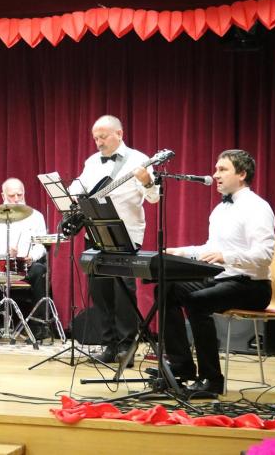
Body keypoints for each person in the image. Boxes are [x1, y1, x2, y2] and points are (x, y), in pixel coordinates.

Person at [163, 149, 275, 397]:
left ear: (242, 174)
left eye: (222, 170)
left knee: (197, 301)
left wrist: (228, 256)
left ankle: (212, 379)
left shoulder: (257, 207)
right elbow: (210, 248)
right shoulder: (219, 210)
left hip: (252, 286)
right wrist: (180, 252)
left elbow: (265, 255)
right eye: (216, 170)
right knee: (168, 288)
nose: (215, 175)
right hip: (222, 279)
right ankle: (182, 366)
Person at [70, 115, 159, 367]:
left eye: (103, 137)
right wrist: (73, 195)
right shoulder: (92, 161)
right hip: (95, 232)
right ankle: (109, 345)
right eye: (95, 138)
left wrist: (147, 181)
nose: (98, 142)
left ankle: (126, 347)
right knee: (100, 291)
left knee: (123, 292)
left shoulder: (139, 160)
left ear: (119, 134)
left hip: (125, 234)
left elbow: (153, 197)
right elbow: (79, 186)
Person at [0, 177, 50, 339]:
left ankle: (38, 325)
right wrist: (5, 252)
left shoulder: (36, 216)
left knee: (40, 270)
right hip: (2, 266)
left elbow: (41, 245)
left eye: (20, 194)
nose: (17, 199)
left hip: (26, 266)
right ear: (3, 195)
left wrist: (32, 257)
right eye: (12, 195)